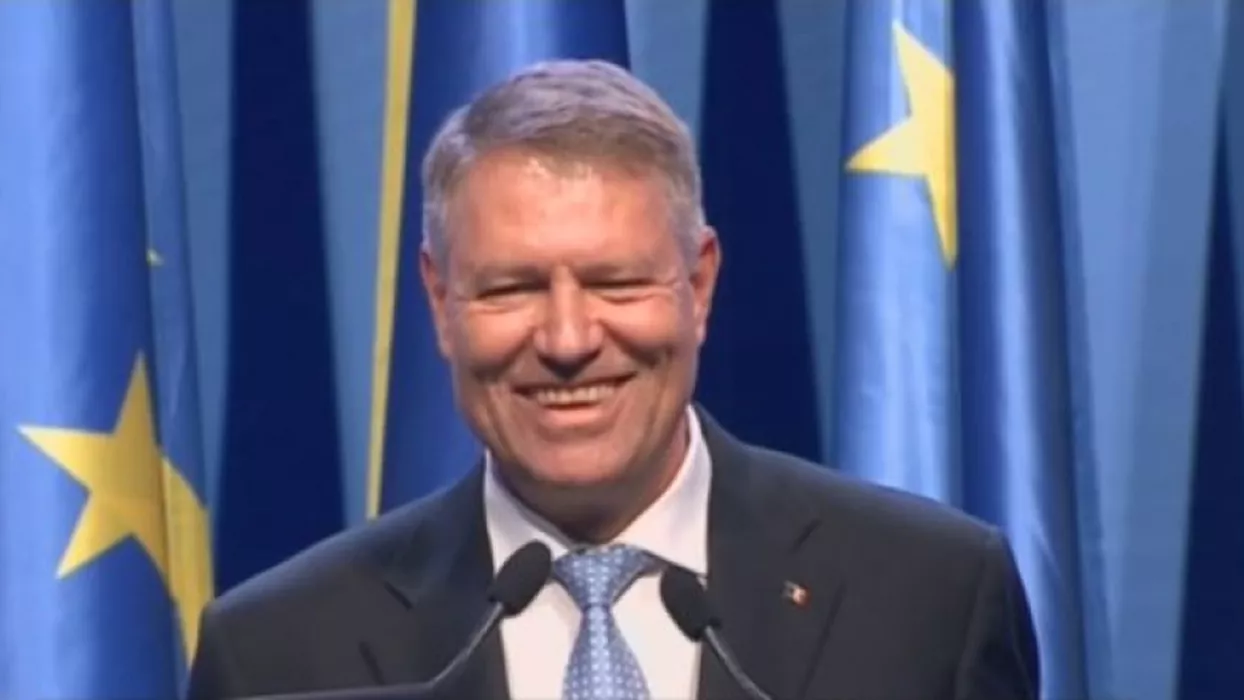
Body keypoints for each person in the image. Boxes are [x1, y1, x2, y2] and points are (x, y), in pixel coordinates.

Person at [186, 59, 1039, 700]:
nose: (567, 340)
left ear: (699, 284)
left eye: (616, 284)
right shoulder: (278, 655)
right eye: (512, 288)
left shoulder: (931, 599)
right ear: (441, 302)